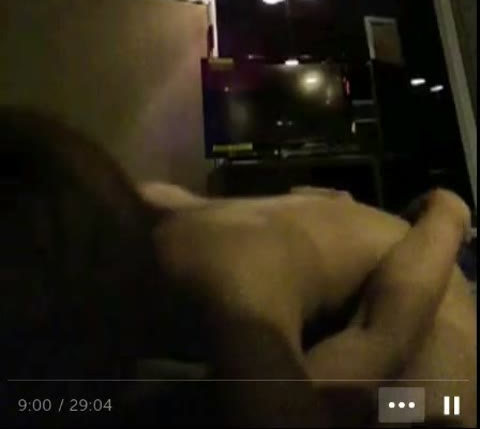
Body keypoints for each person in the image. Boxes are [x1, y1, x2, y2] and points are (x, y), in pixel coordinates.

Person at [1, 108, 476, 427]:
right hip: (331, 267)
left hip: (423, 294)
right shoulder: (134, 206)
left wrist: (447, 214)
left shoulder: (224, 280)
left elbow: (380, 337)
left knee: (409, 410)